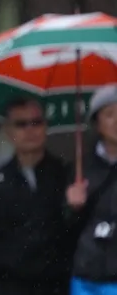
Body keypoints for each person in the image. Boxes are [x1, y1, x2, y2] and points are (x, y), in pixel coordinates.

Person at [0, 97, 72, 295]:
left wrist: (76, 207)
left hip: (60, 286)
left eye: (37, 122)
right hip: (13, 287)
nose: (30, 130)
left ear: (46, 126)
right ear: (8, 131)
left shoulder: (67, 176)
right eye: (21, 124)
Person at [66, 84, 117, 295]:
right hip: (87, 277)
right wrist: (72, 207)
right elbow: (65, 227)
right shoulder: (81, 168)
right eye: (110, 114)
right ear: (97, 124)